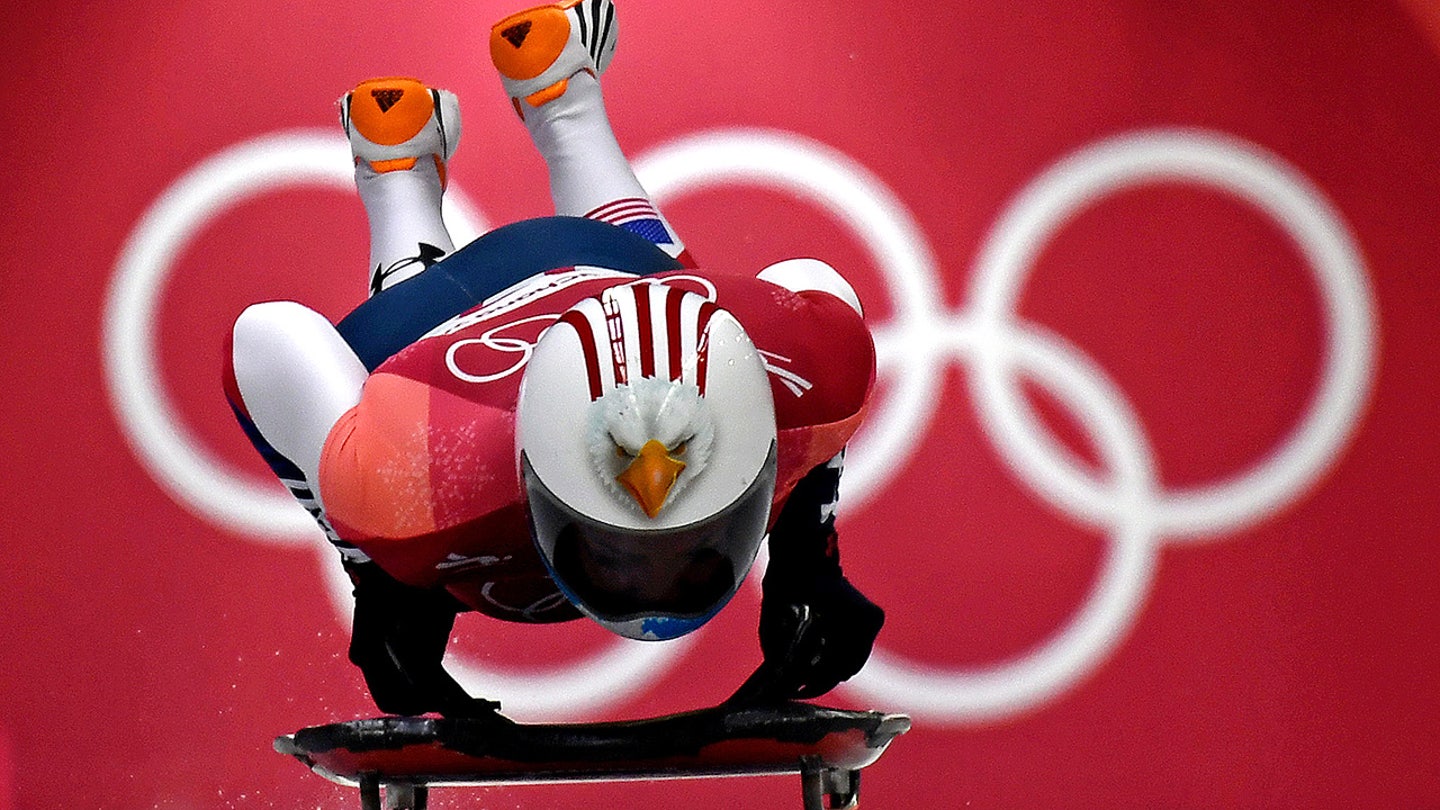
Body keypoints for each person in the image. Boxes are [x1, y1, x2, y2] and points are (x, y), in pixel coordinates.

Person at [225, 0, 883, 719]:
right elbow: (263, 341)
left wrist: (384, 578)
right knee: (393, 458)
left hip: (556, 293)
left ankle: (444, 148)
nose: (650, 583)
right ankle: (456, 146)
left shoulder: (813, 377)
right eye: (620, 554)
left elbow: (262, 337)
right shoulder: (421, 470)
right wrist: (808, 554)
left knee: (396, 475)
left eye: (692, 547)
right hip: (470, 331)